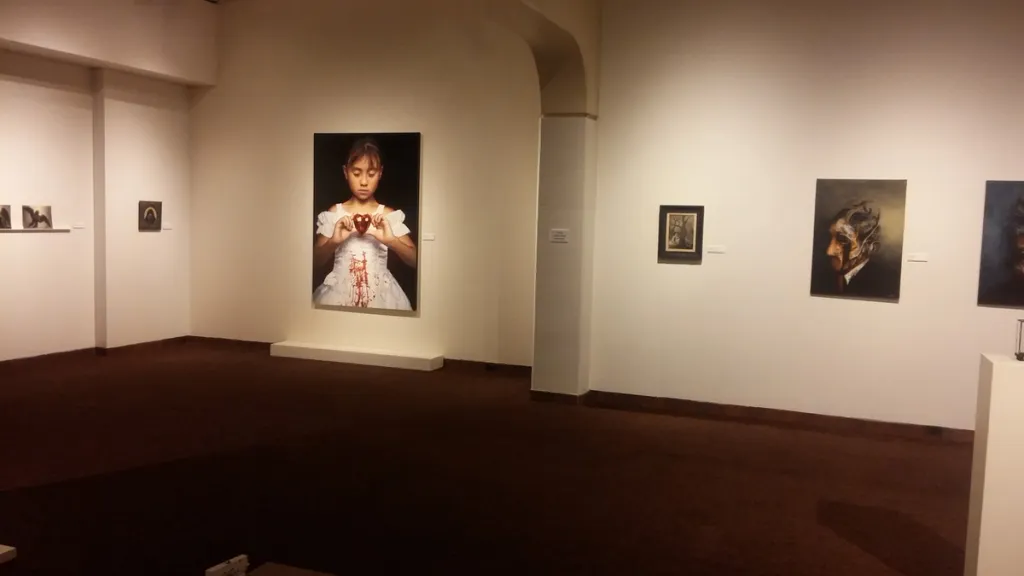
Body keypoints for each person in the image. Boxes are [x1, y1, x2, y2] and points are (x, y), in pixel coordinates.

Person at [313, 137, 417, 310]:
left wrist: (391, 241)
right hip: (338, 295)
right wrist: (333, 242)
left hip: (382, 297)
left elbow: (416, 261)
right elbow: (314, 262)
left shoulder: (387, 215)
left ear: (380, 173)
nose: (363, 182)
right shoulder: (335, 213)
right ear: (346, 172)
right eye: (356, 173)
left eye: (371, 174)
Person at [815, 201, 900, 299]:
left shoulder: (885, 281)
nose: (829, 251)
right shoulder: (822, 276)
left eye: (842, 239)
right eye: (830, 237)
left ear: (868, 245)